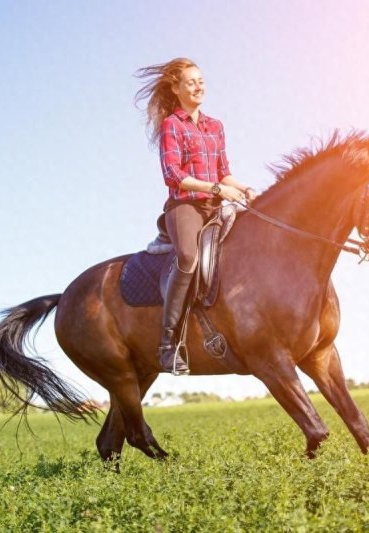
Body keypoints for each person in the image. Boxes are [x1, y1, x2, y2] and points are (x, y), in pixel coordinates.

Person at [135, 58, 258, 375]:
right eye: (191, 82)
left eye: (201, 80)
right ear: (175, 88)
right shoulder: (171, 126)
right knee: (188, 258)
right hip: (185, 207)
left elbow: (224, 172)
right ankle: (168, 344)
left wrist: (245, 188)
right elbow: (173, 175)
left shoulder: (215, 126)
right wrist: (215, 189)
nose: (198, 86)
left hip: (215, 204)